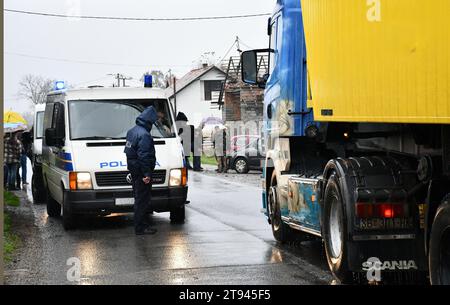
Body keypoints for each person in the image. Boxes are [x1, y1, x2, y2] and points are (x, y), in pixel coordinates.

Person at [124, 106, 158, 235]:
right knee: (142, 201)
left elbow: (129, 152)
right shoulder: (144, 135)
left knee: (138, 198)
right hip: (141, 172)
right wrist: (146, 174)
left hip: (134, 170)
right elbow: (144, 155)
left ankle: (140, 225)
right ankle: (141, 227)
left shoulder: (131, 131)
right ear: (149, 121)